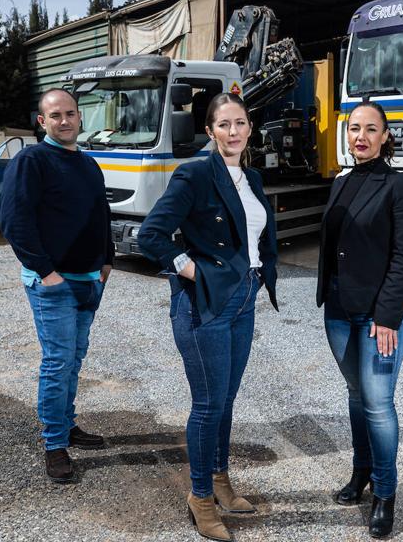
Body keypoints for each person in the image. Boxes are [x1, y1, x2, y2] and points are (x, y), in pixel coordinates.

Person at [137, 93, 277, 542]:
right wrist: (191, 268)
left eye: (240, 123)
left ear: (250, 128)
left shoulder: (252, 177)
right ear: (211, 131)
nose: (233, 132)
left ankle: (220, 481)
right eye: (223, 125)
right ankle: (199, 498)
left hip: (244, 299)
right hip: (204, 305)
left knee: (227, 400)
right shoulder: (195, 173)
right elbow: (151, 234)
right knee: (208, 404)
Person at [317, 101, 403, 539]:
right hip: (339, 310)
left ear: (385, 136)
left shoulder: (399, 185)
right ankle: (361, 473)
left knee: (378, 405)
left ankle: (385, 492)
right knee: (356, 397)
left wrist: (388, 316)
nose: (360, 136)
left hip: (378, 316)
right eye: (354, 128)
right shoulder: (341, 181)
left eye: (370, 129)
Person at [0, 88, 114, 484]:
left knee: (74, 359)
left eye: (70, 113)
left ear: (80, 118)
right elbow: (15, 222)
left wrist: (108, 260)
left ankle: (66, 426)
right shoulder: (32, 160)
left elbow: (101, 212)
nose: (64, 121)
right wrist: (47, 272)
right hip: (54, 285)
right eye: (55, 115)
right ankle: (54, 445)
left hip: (88, 280)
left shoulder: (88, 163)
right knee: (58, 361)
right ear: (42, 121)